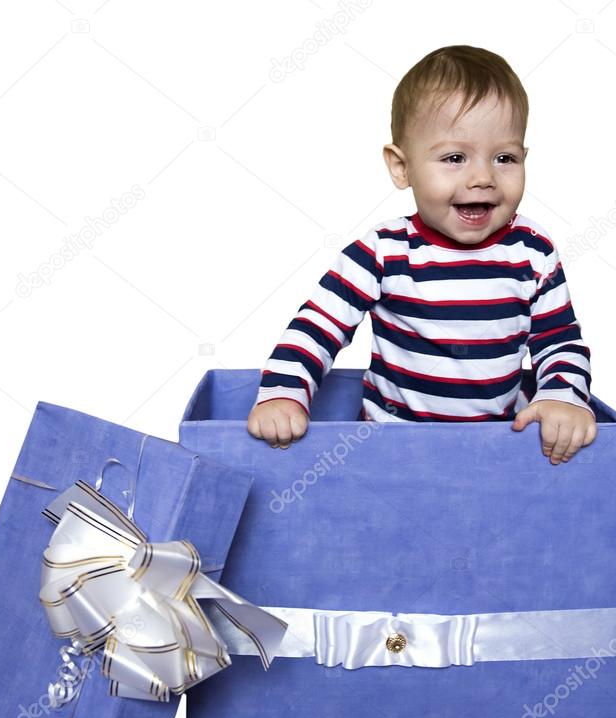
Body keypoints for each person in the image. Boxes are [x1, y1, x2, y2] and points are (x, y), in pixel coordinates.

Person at [246, 44, 596, 466]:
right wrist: (284, 395)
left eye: (505, 157)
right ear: (402, 167)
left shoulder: (533, 252)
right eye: (454, 158)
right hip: (390, 450)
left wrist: (563, 398)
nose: (483, 177)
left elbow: (558, 341)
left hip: (500, 450)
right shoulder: (384, 252)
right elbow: (317, 327)